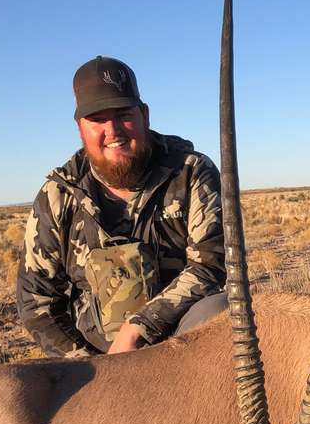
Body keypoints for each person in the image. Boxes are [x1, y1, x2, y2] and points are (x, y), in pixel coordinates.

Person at [17, 56, 225, 357]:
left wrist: (137, 328)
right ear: (80, 128)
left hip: (180, 346)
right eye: (98, 119)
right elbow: (36, 302)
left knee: (221, 308)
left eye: (123, 114)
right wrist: (87, 368)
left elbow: (210, 266)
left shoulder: (192, 171)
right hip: (98, 361)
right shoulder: (57, 195)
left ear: (145, 115)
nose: (113, 130)